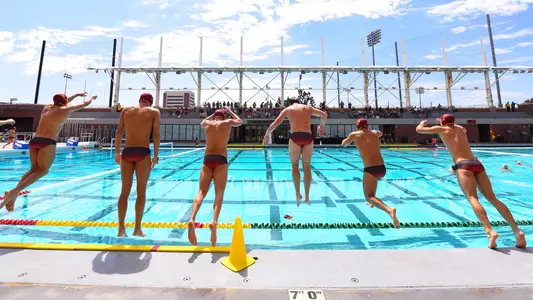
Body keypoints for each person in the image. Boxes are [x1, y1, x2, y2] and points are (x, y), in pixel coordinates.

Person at [416, 114, 526, 249]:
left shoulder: (442, 129)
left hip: (463, 165)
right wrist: (444, 123)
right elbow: (456, 127)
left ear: (443, 123)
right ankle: (517, 231)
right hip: (477, 163)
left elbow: (419, 129)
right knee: (493, 198)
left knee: (473, 198)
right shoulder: (461, 129)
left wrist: (423, 122)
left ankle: (490, 231)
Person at [1, 92, 95, 212]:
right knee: (43, 171)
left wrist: (76, 95)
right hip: (47, 142)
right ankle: (13, 193)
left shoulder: (47, 107)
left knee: (33, 169)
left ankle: (13, 195)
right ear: (65, 102)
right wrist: (91, 97)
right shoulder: (66, 109)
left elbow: (64, 101)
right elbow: (85, 103)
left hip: (34, 141)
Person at [188, 107, 242, 246]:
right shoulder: (227, 122)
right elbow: (240, 121)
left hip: (208, 159)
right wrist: (230, 111)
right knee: (219, 193)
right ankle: (213, 222)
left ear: (214, 117)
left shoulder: (208, 124)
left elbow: (202, 122)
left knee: (201, 192)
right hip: (221, 159)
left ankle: (192, 219)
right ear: (223, 117)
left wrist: (212, 115)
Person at [262, 98, 327, 206]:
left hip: (295, 137)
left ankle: (297, 193)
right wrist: (321, 127)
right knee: (307, 167)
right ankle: (307, 197)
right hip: (308, 137)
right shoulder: (308, 108)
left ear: (291, 103)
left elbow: (275, 123)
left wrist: (266, 135)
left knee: (295, 166)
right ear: (299, 102)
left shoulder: (288, 109)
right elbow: (324, 115)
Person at [114, 93, 160, 238]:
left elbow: (119, 131)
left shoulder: (126, 110)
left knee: (124, 192)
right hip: (142, 153)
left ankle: (121, 229)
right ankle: (137, 229)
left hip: (127, 152)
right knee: (141, 192)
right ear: (151, 102)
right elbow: (156, 135)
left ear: (139, 101)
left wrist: (116, 152)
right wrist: (155, 156)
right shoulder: (154, 111)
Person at [341, 118, 400, 228]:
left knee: (369, 196)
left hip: (371, 169)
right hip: (382, 168)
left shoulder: (354, 134)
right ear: (367, 126)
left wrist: (347, 140)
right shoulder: (375, 133)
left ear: (357, 127)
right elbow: (380, 133)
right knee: (371, 195)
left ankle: (389, 210)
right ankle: (372, 202)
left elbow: (344, 144)